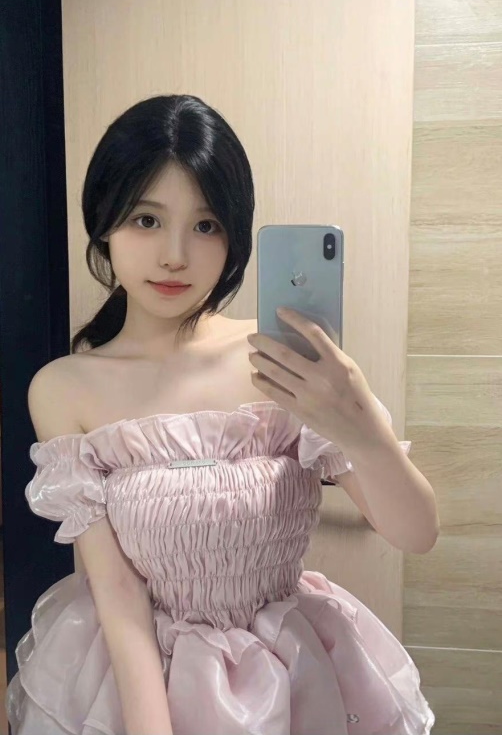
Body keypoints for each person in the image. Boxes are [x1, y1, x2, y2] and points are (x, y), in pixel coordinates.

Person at [6, 94, 438, 735]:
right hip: (138, 681)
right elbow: (117, 592)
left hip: (294, 678)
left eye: (206, 225)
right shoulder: (63, 388)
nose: (175, 254)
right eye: (146, 220)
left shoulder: (279, 361)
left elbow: (415, 533)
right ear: (103, 223)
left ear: (235, 234)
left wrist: (361, 424)